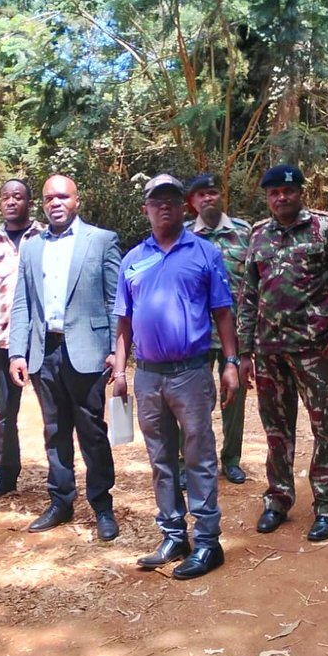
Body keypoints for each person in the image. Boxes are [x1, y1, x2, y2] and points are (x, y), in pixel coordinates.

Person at [112, 174, 240, 579]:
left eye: (171, 199)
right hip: (148, 375)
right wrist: (118, 370)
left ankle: (207, 541)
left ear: (184, 207)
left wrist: (232, 363)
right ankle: (172, 533)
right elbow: (124, 321)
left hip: (191, 372)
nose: (163, 206)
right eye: (156, 200)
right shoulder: (133, 259)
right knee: (161, 459)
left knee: (200, 457)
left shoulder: (204, 253)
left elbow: (223, 312)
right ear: (145, 209)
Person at [238, 164, 328, 542]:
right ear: (267, 197)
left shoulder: (325, 229)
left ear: (300, 192)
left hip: (313, 349)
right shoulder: (258, 235)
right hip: (268, 351)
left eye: (288, 191)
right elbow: (248, 297)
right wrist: (244, 351)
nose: (281, 198)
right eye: (274, 193)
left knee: (324, 426)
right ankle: (278, 499)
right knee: (276, 430)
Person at [8, 175, 121, 540]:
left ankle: (102, 505)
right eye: (48, 198)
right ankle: (61, 501)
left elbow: (115, 300)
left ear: (77, 200)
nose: (55, 202)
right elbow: (23, 303)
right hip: (45, 353)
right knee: (54, 432)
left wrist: (116, 352)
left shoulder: (101, 240)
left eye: (62, 196)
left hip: (88, 353)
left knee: (92, 431)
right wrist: (16, 352)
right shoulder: (31, 247)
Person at [0, 179, 45, 501]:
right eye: (5, 197)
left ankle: (61, 477)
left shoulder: (47, 236)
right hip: (1, 340)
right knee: (5, 415)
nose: (11, 202)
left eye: (18, 197)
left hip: (45, 339)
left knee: (56, 414)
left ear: (30, 202)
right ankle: (5, 476)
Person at [185, 173, 252, 484]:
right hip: (193, 336)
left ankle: (232, 459)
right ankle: (190, 461)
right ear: (192, 202)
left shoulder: (245, 232)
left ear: (221, 196)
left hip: (235, 334)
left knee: (234, 399)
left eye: (212, 193)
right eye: (201, 195)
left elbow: (257, 283)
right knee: (192, 400)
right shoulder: (183, 235)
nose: (207, 199)